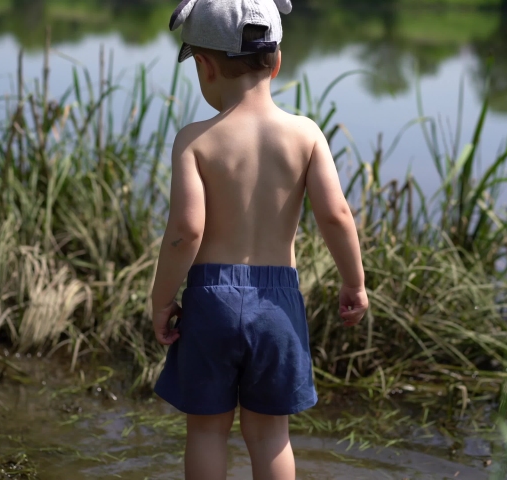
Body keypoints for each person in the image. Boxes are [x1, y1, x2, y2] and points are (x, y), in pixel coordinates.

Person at [151, 0, 368, 478]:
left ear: (204, 66)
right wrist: (354, 282)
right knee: (270, 436)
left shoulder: (195, 140)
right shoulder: (306, 135)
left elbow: (186, 232)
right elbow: (336, 215)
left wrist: (161, 300)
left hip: (211, 301)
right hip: (278, 303)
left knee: (206, 431)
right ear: (278, 61)